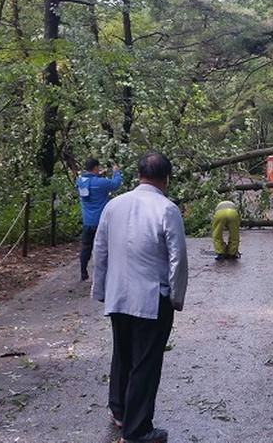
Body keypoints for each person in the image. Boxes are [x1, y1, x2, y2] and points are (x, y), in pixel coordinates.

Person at [91, 153, 187, 443]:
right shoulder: (167, 208)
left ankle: (119, 411)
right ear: (166, 178)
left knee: (122, 355)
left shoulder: (114, 205)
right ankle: (137, 431)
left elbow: (100, 249)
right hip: (152, 298)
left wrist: (100, 290)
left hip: (118, 295)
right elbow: (177, 258)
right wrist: (176, 297)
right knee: (145, 363)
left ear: (139, 175)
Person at [76, 158, 122, 281]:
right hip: (101, 221)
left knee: (86, 247)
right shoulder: (101, 183)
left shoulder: (80, 181)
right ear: (96, 167)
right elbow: (116, 184)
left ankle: (83, 271)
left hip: (87, 221)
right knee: (104, 247)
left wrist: (98, 175)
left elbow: (91, 184)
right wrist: (116, 172)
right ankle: (104, 273)